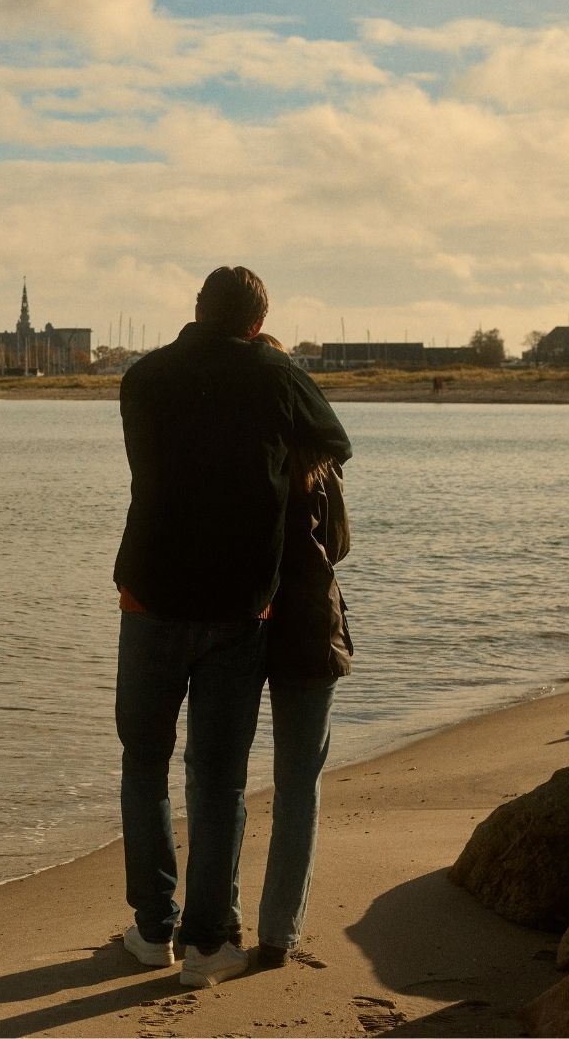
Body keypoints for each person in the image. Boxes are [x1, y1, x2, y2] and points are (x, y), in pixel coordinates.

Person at [113, 267, 351, 988]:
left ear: (197, 309)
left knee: (144, 764)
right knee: (217, 780)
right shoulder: (273, 373)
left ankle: (154, 928)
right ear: (257, 323)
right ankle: (208, 945)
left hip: (148, 594)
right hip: (239, 606)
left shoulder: (143, 376)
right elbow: (333, 441)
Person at [249, 332, 354, 968]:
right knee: (297, 783)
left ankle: (214, 920)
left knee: (220, 775)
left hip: (243, 618)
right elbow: (338, 546)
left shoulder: (238, 455)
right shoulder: (318, 460)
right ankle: (278, 934)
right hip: (310, 621)